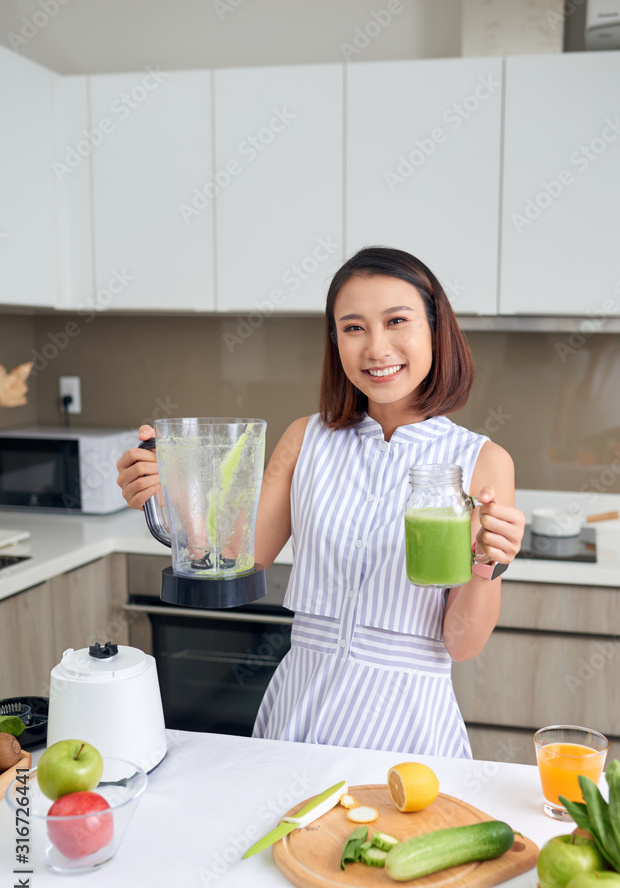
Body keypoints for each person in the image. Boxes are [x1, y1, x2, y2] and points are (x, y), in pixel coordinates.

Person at [117, 247, 525, 758]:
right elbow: (231, 564)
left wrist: (490, 563)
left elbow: (462, 646)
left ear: (436, 330)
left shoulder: (481, 462)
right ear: (335, 341)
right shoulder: (304, 439)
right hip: (299, 717)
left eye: (397, 321)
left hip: (409, 730)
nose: (377, 348)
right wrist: (166, 496)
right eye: (353, 328)